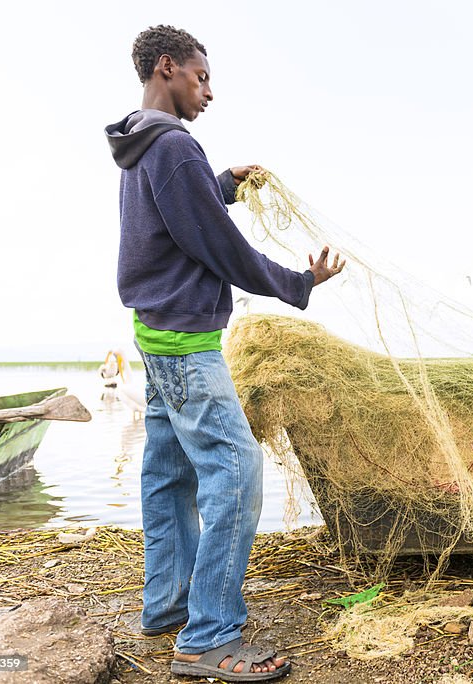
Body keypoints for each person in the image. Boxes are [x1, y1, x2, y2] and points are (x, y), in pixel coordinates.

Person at [105, 25, 345, 681]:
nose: (209, 90)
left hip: (154, 333)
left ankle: (168, 606)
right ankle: (208, 637)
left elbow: (180, 217)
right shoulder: (174, 147)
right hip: (185, 343)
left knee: (169, 473)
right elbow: (220, 249)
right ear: (167, 69)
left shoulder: (143, 143)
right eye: (200, 76)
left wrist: (224, 184)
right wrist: (296, 284)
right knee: (237, 472)